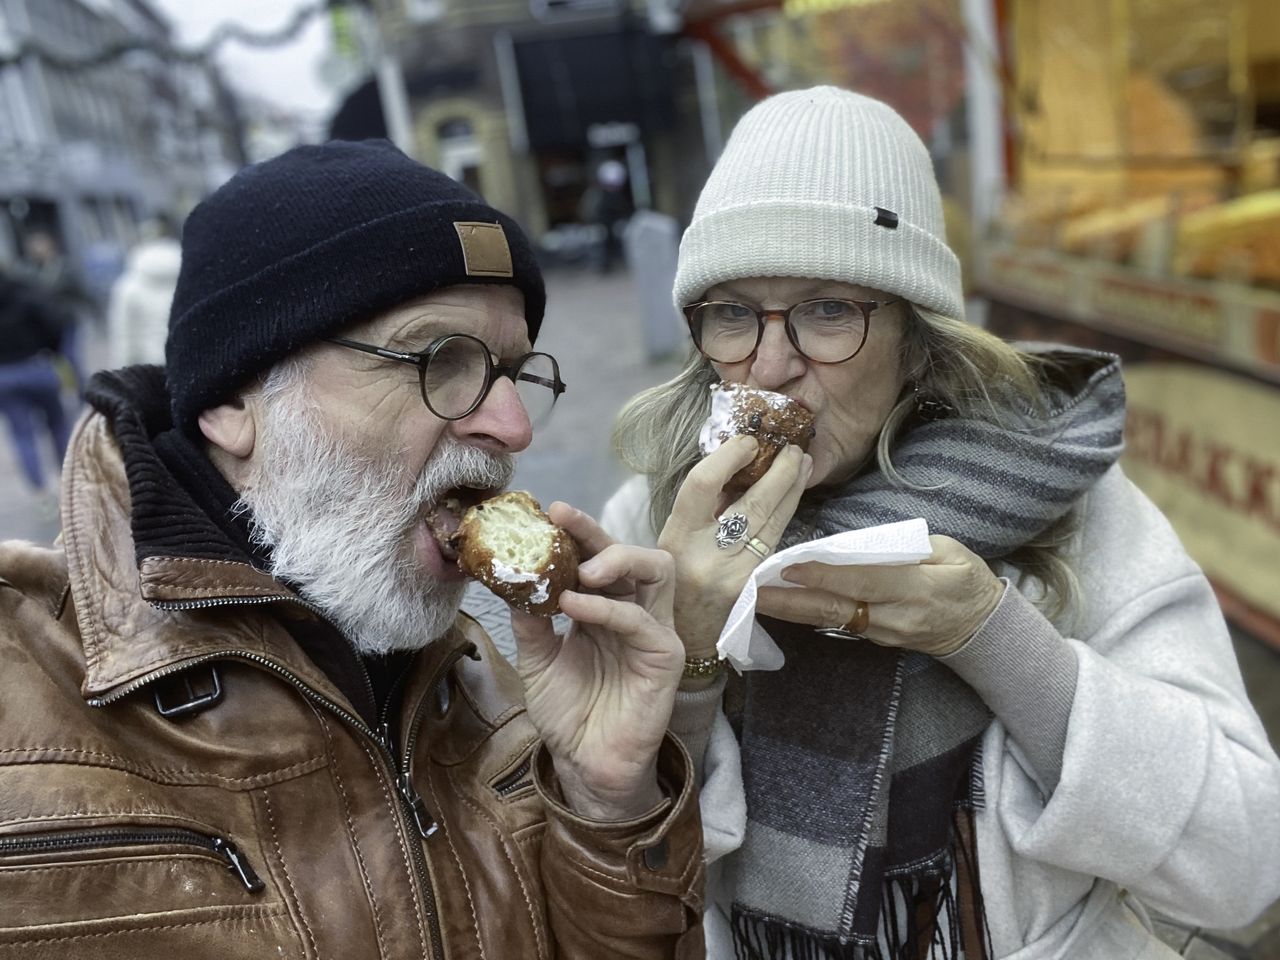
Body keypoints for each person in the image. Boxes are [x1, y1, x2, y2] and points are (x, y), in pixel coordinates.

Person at [604, 87, 1280, 959]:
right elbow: (621, 883)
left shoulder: (1061, 505)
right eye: (732, 312)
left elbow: (1248, 864)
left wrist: (993, 635)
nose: (769, 368)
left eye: (827, 310)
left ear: (917, 342)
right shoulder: (653, 527)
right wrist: (692, 654)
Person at [0, 140, 704, 957]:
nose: (511, 428)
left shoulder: (488, 683)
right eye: (441, 358)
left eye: (515, 373)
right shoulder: (22, 686)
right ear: (234, 398)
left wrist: (607, 804)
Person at [0, 267, 73, 490]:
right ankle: (68, 479)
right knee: (58, 423)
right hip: (37, 366)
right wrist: (53, 351)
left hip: (5, 375)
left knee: (22, 433)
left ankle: (39, 490)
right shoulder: (24, 294)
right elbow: (53, 324)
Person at [107, 214, 182, 367]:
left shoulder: (128, 285)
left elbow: (124, 336)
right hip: (187, 360)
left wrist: (123, 370)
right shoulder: (187, 275)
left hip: (149, 366)